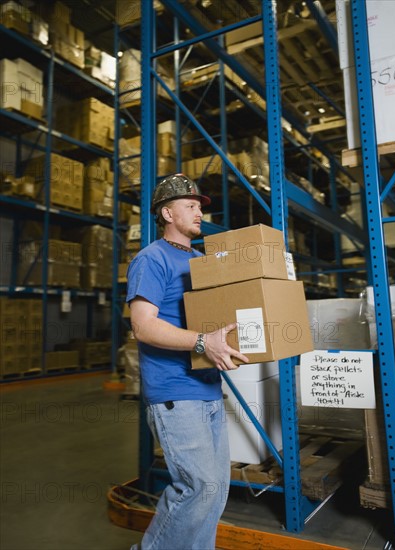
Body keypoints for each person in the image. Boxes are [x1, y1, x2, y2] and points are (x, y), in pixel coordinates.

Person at [127, 173, 248, 550]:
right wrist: (201, 342)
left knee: (214, 492)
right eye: (190, 206)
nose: (199, 213)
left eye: (199, 207)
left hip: (208, 387)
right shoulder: (151, 259)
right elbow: (143, 327)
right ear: (167, 213)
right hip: (175, 392)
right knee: (197, 488)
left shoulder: (201, 260)